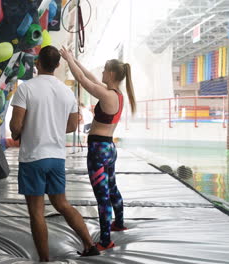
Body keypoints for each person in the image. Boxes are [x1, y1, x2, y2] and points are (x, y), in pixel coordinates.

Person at [9, 46, 100, 261]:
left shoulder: (26, 89)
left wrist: (24, 130)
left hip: (33, 158)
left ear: (37, 63)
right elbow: (70, 126)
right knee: (62, 204)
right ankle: (89, 245)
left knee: (37, 212)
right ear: (58, 65)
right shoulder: (66, 91)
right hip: (57, 157)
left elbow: (15, 126)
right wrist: (52, 126)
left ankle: (44, 260)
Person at [59, 47, 136, 251]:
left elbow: (83, 81)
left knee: (102, 196)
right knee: (112, 189)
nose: (101, 73)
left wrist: (68, 60)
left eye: (104, 70)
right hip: (109, 148)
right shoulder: (116, 94)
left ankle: (105, 240)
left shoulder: (107, 95)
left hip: (98, 150)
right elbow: (90, 76)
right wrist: (73, 59)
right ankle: (118, 223)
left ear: (111, 73)